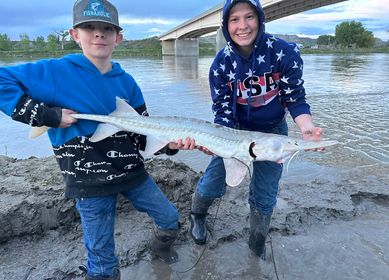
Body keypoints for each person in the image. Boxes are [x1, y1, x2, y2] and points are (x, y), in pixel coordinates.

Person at [0, 0, 196, 279]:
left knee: (169, 218)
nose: (98, 34)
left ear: (119, 37)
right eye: (89, 27)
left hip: (132, 172)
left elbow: (142, 135)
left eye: (106, 28)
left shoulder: (127, 82)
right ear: (74, 34)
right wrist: (49, 116)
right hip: (88, 181)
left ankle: (160, 248)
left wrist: (170, 145)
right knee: (102, 260)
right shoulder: (55, 72)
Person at [189, 0, 325, 259]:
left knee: (265, 194)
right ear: (225, 25)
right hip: (234, 131)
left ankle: (257, 243)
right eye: (234, 19)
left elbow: (295, 98)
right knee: (213, 182)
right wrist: (216, 142)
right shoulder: (221, 65)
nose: (242, 26)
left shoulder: (284, 53)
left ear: (260, 19)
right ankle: (197, 215)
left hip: (273, 132)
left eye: (249, 17)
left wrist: (307, 127)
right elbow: (222, 112)